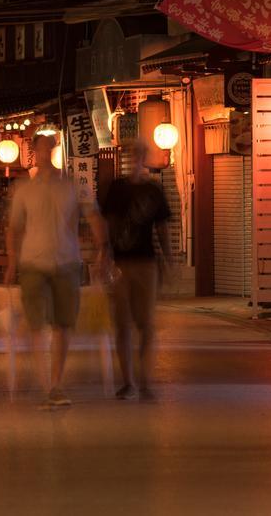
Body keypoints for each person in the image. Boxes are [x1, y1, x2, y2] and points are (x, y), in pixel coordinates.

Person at [4, 133, 106, 408]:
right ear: (33, 152)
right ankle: (48, 383)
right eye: (39, 148)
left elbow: (93, 216)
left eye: (48, 147)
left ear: (53, 150)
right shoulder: (24, 188)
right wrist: (12, 261)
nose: (44, 153)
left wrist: (102, 250)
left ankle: (56, 382)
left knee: (63, 324)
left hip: (66, 261)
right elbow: (13, 228)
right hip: (33, 262)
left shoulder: (73, 185)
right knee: (37, 324)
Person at [101, 139, 171, 401]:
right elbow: (108, 223)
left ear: (146, 156)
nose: (137, 158)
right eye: (133, 153)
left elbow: (162, 227)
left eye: (141, 153)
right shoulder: (117, 188)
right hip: (121, 263)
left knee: (146, 324)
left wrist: (168, 258)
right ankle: (128, 381)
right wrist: (104, 254)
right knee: (122, 324)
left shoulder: (154, 190)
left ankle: (145, 381)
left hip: (146, 262)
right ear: (128, 157)